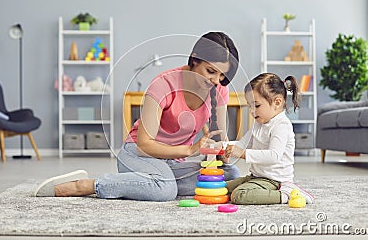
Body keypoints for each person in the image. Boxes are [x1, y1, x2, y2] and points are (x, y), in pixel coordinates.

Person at [35, 32, 240, 200]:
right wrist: (190, 149)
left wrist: (222, 151)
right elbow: (144, 145)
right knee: (166, 190)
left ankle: (148, 182)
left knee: (230, 174)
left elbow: (220, 138)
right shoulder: (163, 85)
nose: (216, 80)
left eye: (222, 75)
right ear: (195, 59)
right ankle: (87, 185)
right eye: (211, 71)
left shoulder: (219, 88)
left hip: (173, 162)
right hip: (138, 154)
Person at [223, 73, 314, 205]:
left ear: (277, 102)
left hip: (275, 180)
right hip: (256, 177)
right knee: (222, 188)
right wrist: (223, 145)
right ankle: (259, 189)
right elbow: (243, 144)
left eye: (257, 105)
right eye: (250, 106)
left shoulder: (281, 125)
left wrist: (242, 154)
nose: (252, 111)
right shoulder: (259, 123)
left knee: (240, 195)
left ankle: (285, 195)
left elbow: (273, 156)